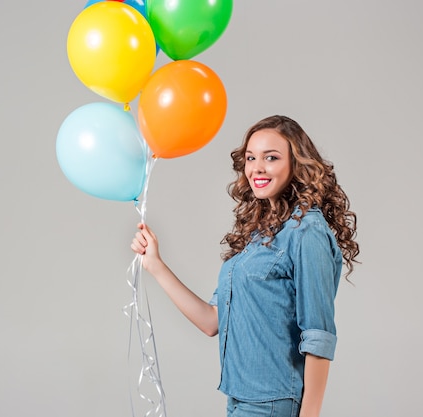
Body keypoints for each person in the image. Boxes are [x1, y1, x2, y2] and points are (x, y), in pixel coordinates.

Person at [130, 115, 359, 417]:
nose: (257, 168)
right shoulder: (258, 235)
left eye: (271, 158)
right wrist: (156, 265)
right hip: (239, 400)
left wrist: (310, 414)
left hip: (273, 403)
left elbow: (318, 335)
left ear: (296, 164)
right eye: (251, 158)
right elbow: (212, 320)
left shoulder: (307, 232)